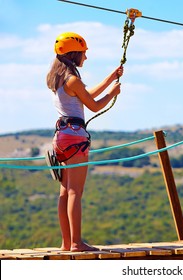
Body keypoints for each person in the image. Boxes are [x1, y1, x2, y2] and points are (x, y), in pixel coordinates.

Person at [46, 32, 123, 252]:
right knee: (75, 193)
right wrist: (112, 92)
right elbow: (94, 105)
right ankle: (77, 243)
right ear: (74, 54)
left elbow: (85, 94)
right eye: (83, 53)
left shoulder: (59, 78)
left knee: (64, 192)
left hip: (61, 138)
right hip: (75, 137)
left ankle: (66, 242)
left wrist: (109, 78)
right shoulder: (72, 79)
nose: (85, 58)